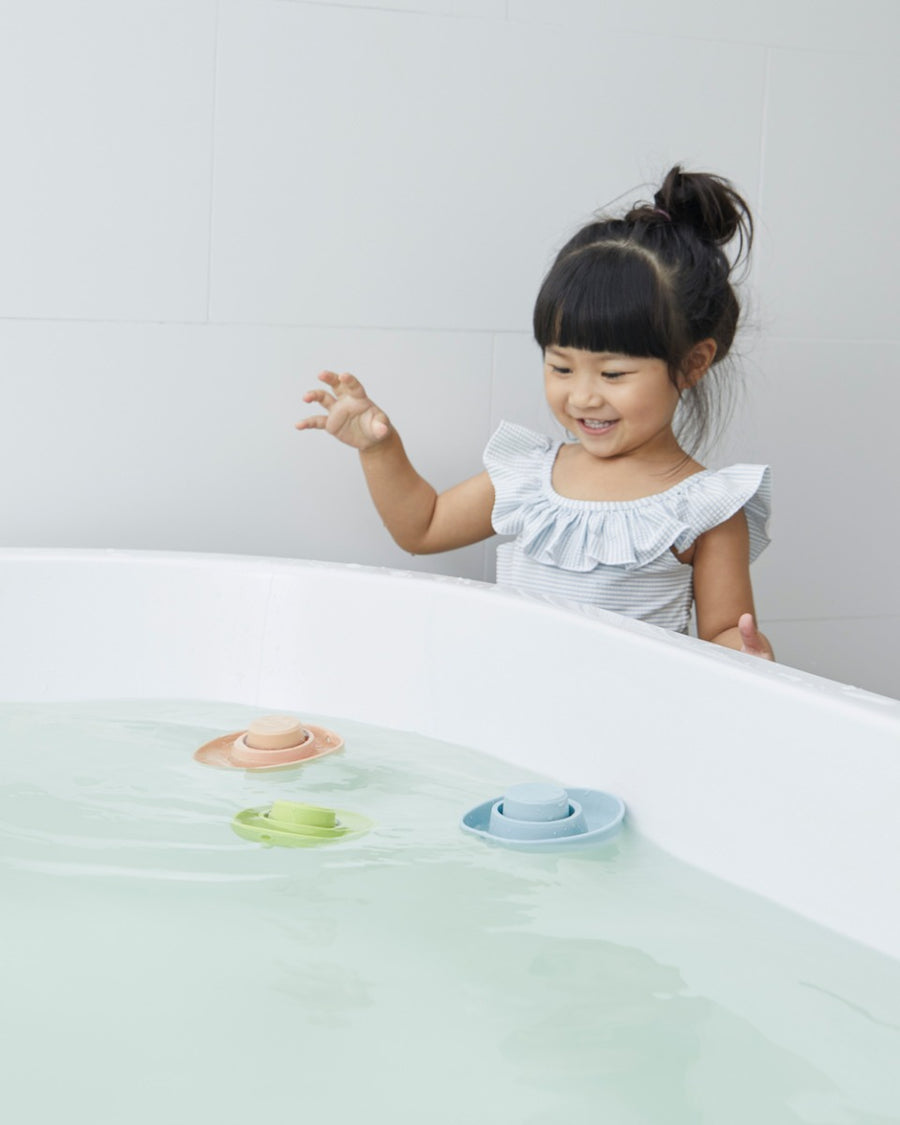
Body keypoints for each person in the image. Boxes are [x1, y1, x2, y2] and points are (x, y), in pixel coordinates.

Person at [297, 166, 773, 659]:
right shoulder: (530, 478)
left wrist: (748, 654)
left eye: (613, 375)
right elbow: (422, 526)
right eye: (561, 368)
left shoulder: (703, 508)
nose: (583, 396)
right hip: (512, 717)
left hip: (627, 725)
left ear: (692, 364)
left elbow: (722, 637)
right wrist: (379, 447)